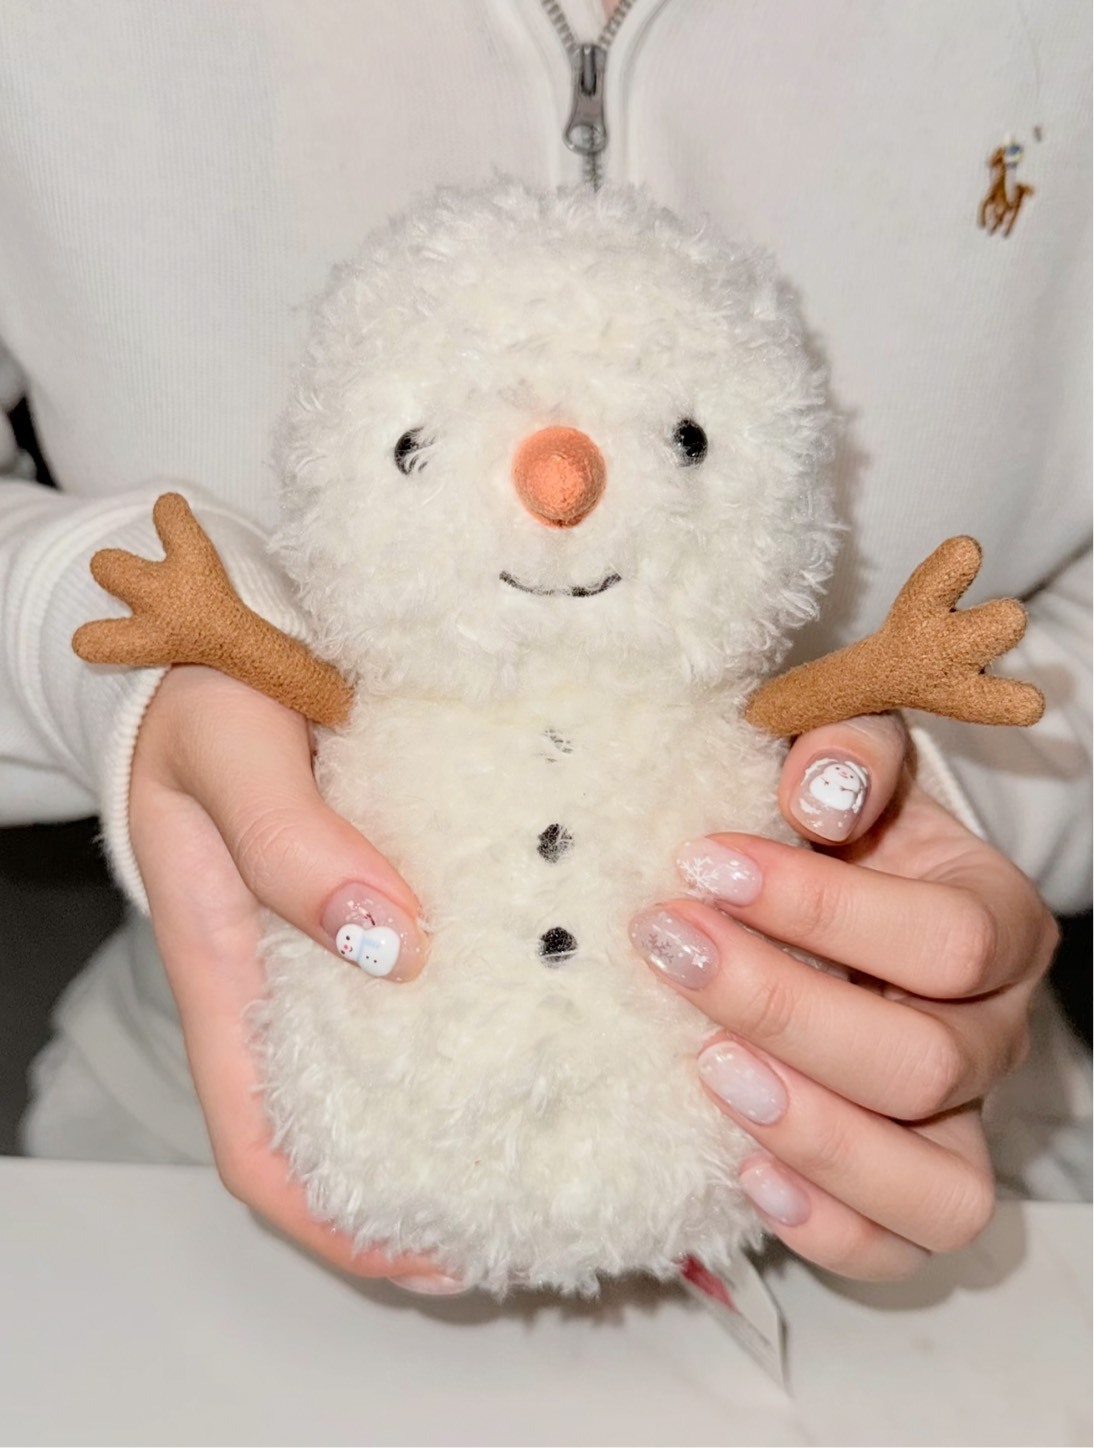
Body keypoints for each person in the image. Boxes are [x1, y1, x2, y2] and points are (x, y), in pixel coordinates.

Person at [1, 0, 1089, 1290]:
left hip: (974, 1170)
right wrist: (123, 655)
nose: (561, 489)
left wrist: (920, 810)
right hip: (182, 1141)